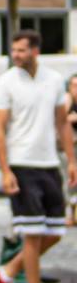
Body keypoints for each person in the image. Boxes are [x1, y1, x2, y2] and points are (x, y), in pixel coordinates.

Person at [0, 31, 77, 283]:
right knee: (33, 235)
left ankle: (7, 272)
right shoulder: (6, 82)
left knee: (56, 231)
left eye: (21, 50)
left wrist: (71, 161)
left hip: (50, 164)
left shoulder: (54, 80)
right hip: (21, 165)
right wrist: (5, 170)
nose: (15, 55)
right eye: (13, 50)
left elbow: (62, 123)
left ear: (35, 51)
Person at [65, 74, 77, 226]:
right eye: (73, 85)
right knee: (70, 182)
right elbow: (61, 120)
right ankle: (71, 214)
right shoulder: (66, 101)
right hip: (69, 149)